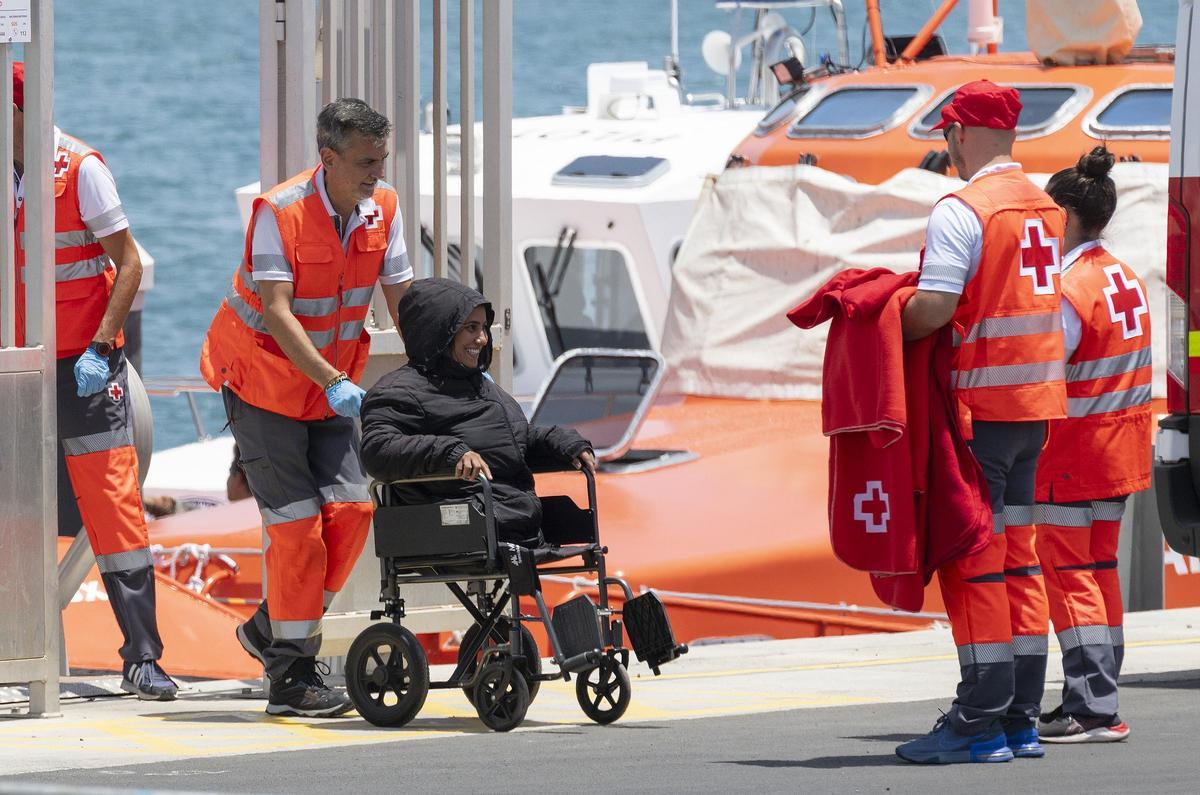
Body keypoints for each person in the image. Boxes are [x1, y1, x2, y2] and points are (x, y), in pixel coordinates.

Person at [199, 98, 412, 717]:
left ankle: (270, 630)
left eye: (381, 160)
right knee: (296, 529)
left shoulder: (384, 211)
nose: (376, 174)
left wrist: (432, 368)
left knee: (349, 513)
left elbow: (400, 296)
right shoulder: (280, 212)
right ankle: (291, 678)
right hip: (262, 386)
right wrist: (329, 379)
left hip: (326, 392)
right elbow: (276, 310)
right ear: (329, 158)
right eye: (365, 162)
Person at [896, 80, 1068, 764]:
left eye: (946, 136)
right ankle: (1022, 717)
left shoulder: (961, 210)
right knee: (1022, 561)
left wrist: (885, 321)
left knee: (976, 565)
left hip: (981, 419)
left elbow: (935, 306)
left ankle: (978, 719)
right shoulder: (1046, 208)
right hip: (1037, 415)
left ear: (960, 133)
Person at [1, 63, 176, 700]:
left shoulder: (80, 169)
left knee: (113, 505)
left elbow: (126, 263)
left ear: (18, 110)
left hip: (83, 364)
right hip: (15, 364)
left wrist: (103, 347)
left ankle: (144, 656)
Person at [1033, 147, 1148, 744]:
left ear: (1063, 214)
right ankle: (1102, 697)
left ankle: (1090, 708)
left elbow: (1043, 369)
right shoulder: (1124, 277)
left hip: (1072, 456)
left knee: (1070, 574)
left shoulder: (1069, 288)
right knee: (1101, 571)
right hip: (1120, 453)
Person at [359, 278, 595, 542]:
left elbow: (515, 441)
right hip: (460, 522)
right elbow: (377, 450)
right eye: (471, 328)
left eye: (483, 328)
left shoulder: (484, 387)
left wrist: (563, 442)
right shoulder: (397, 391)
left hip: (515, 519)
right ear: (441, 331)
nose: (482, 339)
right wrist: (451, 452)